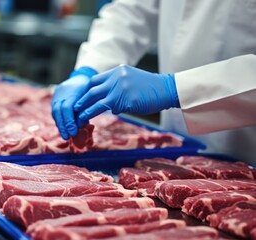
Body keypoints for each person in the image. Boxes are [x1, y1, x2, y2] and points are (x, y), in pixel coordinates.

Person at [51, 0, 256, 165]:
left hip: (248, 149)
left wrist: (176, 89)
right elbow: (132, 10)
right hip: (177, 155)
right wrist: (89, 69)